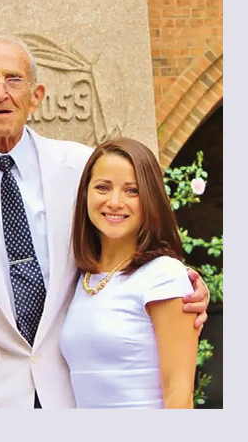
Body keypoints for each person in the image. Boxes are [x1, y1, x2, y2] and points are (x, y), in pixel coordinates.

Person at [0, 35, 209, 408]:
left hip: (73, 392)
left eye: (14, 79)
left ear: (37, 96)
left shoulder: (82, 167)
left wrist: (181, 288)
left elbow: (119, 249)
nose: (0, 92)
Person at [60, 138, 198, 408]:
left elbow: (179, 393)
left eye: (131, 191)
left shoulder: (164, 275)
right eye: (102, 187)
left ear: (150, 198)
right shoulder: (81, 278)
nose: (114, 202)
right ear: (85, 194)